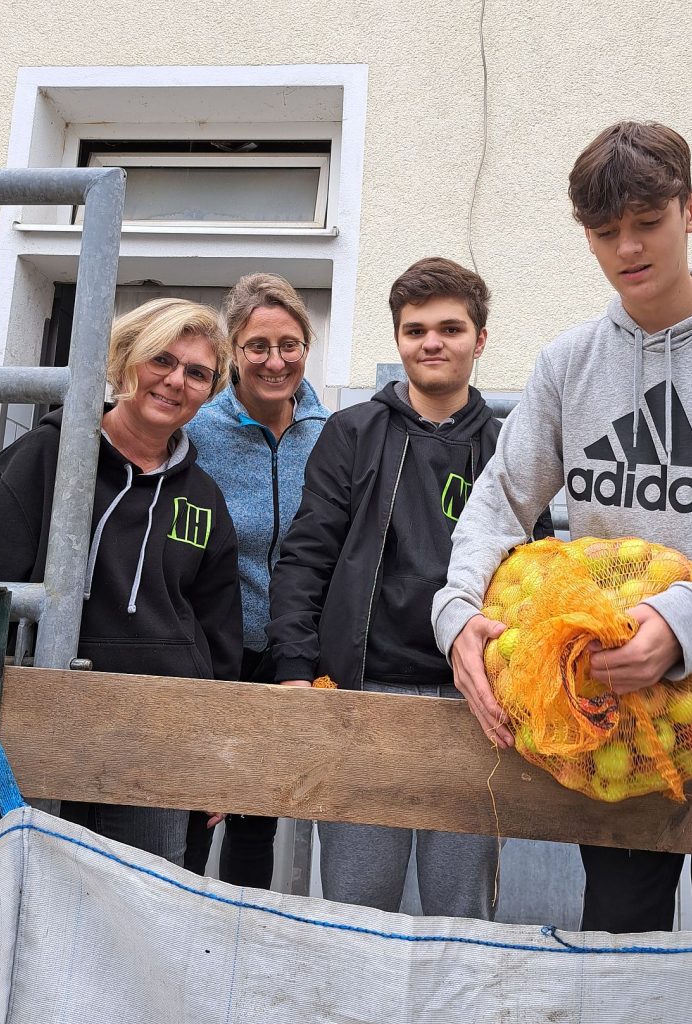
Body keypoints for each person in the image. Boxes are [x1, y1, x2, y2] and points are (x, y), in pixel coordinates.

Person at [433, 121, 692, 933]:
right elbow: (499, 500)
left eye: (646, 223)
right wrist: (455, 614)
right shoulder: (567, 362)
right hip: (607, 705)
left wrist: (680, 626)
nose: (627, 248)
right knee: (617, 932)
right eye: (605, 232)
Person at [0, 298, 243, 866]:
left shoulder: (204, 498)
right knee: (27, 916)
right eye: (161, 360)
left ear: (211, 390)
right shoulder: (41, 461)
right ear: (126, 359)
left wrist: (215, 752)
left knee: (138, 925)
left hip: (155, 745)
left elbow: (219, 637)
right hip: (33, 736)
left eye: (197, 373)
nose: (176, 381)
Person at [266, 257, 551, 919]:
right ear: (397, 340)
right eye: (415, 329)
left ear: (479, 340)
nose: (431, 342)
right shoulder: (351, 434)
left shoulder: (512, 453)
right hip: (365, 697)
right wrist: (292, 669)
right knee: (358, 907)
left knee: (460, 913)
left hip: (474, 705)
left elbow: (538, 582)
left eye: (450, 328)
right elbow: (305, 557)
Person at [184, 273, 329, 884]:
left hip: (289, 656)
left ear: (306, 346)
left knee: (255, 814)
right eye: (258, 347)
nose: (275, 361)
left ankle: (242, 949)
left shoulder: (331, 433)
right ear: (233, 352)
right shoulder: (197, 431)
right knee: (194, 806)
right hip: (211, 650)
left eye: (289, 344)